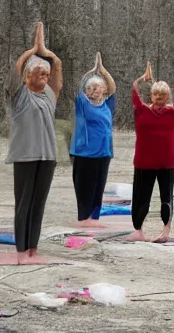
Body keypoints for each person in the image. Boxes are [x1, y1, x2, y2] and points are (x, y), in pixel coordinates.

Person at [7, 22, 63, 264]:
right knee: (23, 205)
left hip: (47, 157)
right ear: (27, 76)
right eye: (40, 73)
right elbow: (13, 74)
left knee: (39, 204)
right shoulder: (19, 96)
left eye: (46, 74)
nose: (46, 76)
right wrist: (31, 51)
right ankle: (20, 250)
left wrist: (47, 53)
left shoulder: (49, 97)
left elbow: (58, 72)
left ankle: (32, 249)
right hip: (25, 156)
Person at [129, 62, 174, 242]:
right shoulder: (141, 110)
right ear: (151, 95)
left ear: (168, 97)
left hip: (167, 163)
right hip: (144, 161)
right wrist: (143, 78)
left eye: (163, 94)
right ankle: (138, 230)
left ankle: (166, 230)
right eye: (156, 93)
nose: (159, 97)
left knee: (167, 196)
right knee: (141, 196)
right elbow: (134, 90)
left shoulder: (173, 112)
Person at [70, 52, 116, 228]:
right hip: (85, 153)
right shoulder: (83, 104)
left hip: (104, 153)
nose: (95, 90)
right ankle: (84, 218)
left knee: (99, 187)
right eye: (92, 88)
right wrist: (91, 71)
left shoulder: (108, 105)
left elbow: (112, 87)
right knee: (84, 187)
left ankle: (94, 218)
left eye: (98, 87)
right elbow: (81, 86)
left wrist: (102, 70)